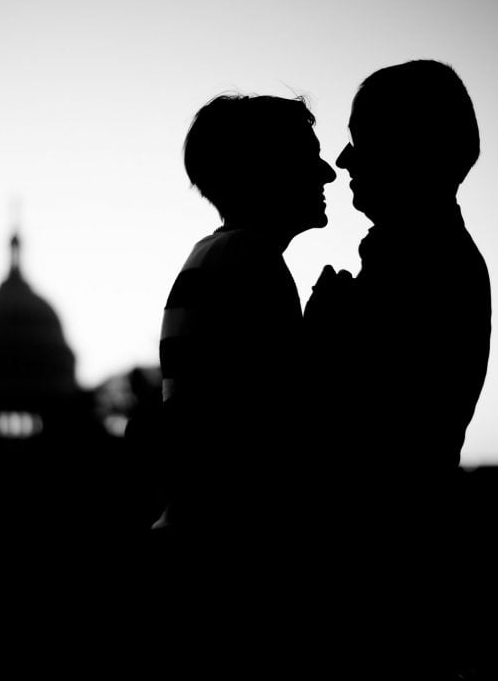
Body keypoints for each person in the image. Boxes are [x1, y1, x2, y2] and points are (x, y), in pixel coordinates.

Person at [305, 60, 492, 678]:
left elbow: (361, 431)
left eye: (361, 141)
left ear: (408, 152)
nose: (342, 159)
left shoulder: (423, 268)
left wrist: (321, 339)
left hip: (375, 580)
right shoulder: (423, 258)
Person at [153, 93, 337, 655]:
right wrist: (327, 339)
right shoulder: (253, 264)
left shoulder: (215, 256)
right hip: (234, 563)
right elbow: (279, 429)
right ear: (266, 171)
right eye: (309, 158)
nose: (328, 172)